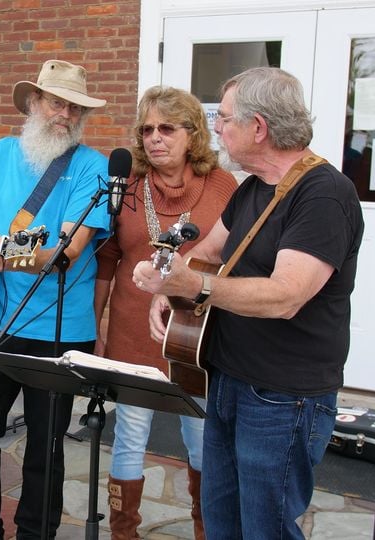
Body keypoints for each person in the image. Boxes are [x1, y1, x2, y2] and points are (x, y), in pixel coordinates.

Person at [132, 67, 364, 539]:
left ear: (258, 128)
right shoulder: (254, 188)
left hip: (283, 396)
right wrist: (171, 284)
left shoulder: (324, 195)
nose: (216, 128)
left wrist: (193, 287)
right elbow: (209, 252)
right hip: (228, 378)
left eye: (226, 118)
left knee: (265, 529)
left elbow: (285, 296)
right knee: (222, 522)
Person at [0, 59, 110, 540]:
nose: (66, 114)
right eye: (57, 102)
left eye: (76, 107)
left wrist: (4, 255)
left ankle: (36, 534)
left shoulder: (93, 168)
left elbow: (67, 251)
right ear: (34, 102)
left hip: (59, 327)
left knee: (45, 446)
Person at [94, 86, 236, 540]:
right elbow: (106, 259)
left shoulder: (224, 187)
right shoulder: (127, 188)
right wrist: (98, 327)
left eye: (167, 128)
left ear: (192, 134)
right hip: (133, 334)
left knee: (202, 442)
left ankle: (205, 529)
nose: (155, 138)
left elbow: (235, 259)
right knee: (130, 438)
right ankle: (123, 532)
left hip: (198, 340)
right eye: (147, 129)